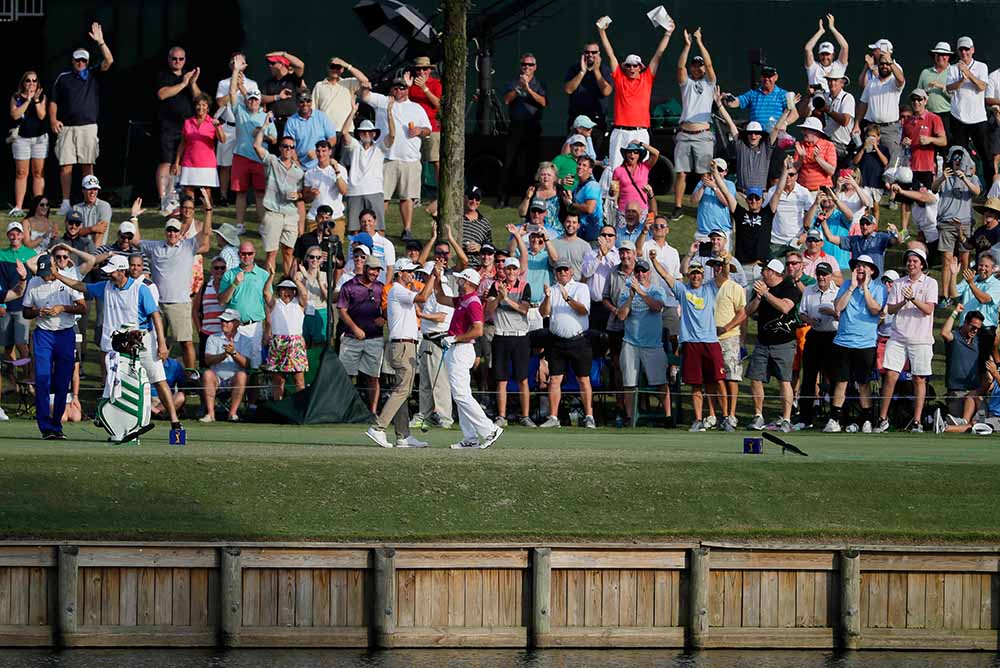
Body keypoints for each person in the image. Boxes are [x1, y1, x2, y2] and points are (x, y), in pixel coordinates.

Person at [59, 254, 182, 429]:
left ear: (123, 271)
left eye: (113, 271)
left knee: (158, 379)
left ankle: (175, 421)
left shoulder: (141, 289)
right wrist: (58, 276)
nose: (109, 275)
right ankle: (112, 419)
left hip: (143, 341)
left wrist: (161, 343)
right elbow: (81, 286)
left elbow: (155, 315)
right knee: (113, 381)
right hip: (119, 344)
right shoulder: (106, 287)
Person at [137, 189, 212, 374]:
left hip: (180, 303)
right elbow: (136, 241)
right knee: (157, 341)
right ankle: (157, 375)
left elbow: (206, 234)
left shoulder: (188, 246)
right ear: (165, 232)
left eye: (175, 230)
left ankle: (190, 376)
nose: (172, 233)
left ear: (180, 233)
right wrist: (134, 217)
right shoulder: (155, 247)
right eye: (169, 230)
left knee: (186, 342)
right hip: (157, 305)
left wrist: (208, 210)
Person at [596, 14, 673, 192]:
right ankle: (612, 210)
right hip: (620, 131)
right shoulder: (620, 78)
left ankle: (641, 207)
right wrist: (602, 32)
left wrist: (668, 34)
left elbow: (658, 54)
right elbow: (610, 53)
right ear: (625, 67)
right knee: (615, 170)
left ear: (641, 67)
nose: (631, 68)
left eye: (635, 65)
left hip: (640, 133)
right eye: (629, 65)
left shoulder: (647, 78)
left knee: (641, 172)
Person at [365, 260, 436, 448]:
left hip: (406, 345)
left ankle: (403, 436)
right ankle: (379, 428)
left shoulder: (402, 291)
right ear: (399, 273)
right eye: (409, 272)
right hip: (403, 345)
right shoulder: (398, 290)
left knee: (402, 390)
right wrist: (434, 275)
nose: (412, 275)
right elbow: (423, 297)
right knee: (402, 389)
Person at [652, 255, 725, 431]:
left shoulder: (710, 288)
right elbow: (666, 276)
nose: (696, 276)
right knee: (695, 384)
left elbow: (724, 276)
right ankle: (698, 419)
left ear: (702, 275)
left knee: (718, 381)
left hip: (710, 341)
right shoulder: (682, 290)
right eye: (693, 274)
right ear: (689, 275)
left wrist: (726, 261)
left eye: (699, 273)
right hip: (691, 343)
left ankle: (726, 417)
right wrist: (654, 261)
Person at [434, 267, 504, 449]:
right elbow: (440, 298)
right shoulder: (462, 300)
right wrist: (437, 277)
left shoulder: (472, 302)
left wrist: (455, 337)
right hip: (455, 349)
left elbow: (478, 330)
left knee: (461, 394)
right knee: (460, 395)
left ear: (467, 282)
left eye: (459, 279)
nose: (457, 281)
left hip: (462, 349)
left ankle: (490, 429)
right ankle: (470, 438)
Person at [49, 23, 113, 216]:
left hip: (88, 127)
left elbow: (109, 61)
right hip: (67, 127)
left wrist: (101, 42)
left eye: (83, 61)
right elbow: (53, 101)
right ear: (73, 61)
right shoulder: (63, 78)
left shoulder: (92, 74)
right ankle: (66, 202)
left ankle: (89, 203)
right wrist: (53, 119)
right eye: (78, 60)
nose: (81, 64)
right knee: (65, 165)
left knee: (88, 164)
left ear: (87, 61)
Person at [359, 75, 431, 241]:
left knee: (407, 197)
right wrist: (364, 84)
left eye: (402, 88)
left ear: (407, 89)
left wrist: (419, 130)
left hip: (410, 159)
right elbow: (365, 96)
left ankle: (407, 229)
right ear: (392, 89)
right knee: (382, 197)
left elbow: (428, 129)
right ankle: (378, 227)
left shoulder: (416, 108)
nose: (399, 91)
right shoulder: (383, 101)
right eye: (396, 88)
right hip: (386, 158)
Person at [875, 248, 938, 432]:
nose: (911, 264)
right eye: (909, 261)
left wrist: (913, 299)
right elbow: (892, 309)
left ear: (922, 264)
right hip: (898, 337)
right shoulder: (898, 284)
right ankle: (882, 418)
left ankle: (917, 422)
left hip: (921, 339)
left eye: (915, 261)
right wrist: (904, 300)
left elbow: (928, 309)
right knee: (891, 376)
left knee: (919, 379)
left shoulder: (930, 283)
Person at [824, 254, 886, 432]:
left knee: (863, 382)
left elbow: (875, 310)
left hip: (865, 344)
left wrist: (865, 287)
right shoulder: (845, 285)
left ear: (872, 271)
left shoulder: (879, 288)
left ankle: (867, 419)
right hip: (843, 341)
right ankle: (834, 419)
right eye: (858, 265)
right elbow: (838, 307)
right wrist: (851, 288)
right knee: (841, 382)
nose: (860, 268)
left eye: (865, 266)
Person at [23, 254, 77, 439]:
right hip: (43, 334)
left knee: (62, 382)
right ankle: (45, 427)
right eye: (43, 273)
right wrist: (38, 311)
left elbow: (83, 307)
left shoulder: (68, 279)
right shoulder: (34, 282)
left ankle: (57, 425)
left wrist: (63, 308)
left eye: (49, 272)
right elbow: (26, 311)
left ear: (55, 266)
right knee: (42, 380)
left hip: (65, 333)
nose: (47, 277)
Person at [744, 259, 801, 432]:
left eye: (765, 271)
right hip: (763, 342)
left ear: (774, 272)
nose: (762, 273)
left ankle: (786, 418)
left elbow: (785, 307)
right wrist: (760, 297)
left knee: (784, 381)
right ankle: (758, 415)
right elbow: (748, 310)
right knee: (755, 378)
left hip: (783, 343)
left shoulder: (789, 288)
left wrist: (767, 294)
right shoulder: (761, 289)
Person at [539, 258, 595, 428]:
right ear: (555, 273)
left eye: (565, 270)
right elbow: (544, 313)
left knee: (583, 379)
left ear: (571, 271)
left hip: (579, 340)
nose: (562, 273)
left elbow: (584, 310)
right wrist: (548, 297)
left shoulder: (581, 287)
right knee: (555, 379)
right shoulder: (552, 290)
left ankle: (589, 416)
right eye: (559, 270)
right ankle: (553, 418)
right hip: (557, 341)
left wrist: (568, 299)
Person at [672, 28, 717, 219]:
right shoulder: (686, 83)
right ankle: (678, 206)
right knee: (681, 172)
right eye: (695, 65)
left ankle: (704, 206)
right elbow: (680, 68)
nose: (698, 68)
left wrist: (699, 42)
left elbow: (709, 62)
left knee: (704, 174)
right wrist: (688, 45)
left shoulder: (710, 83)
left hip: (703, 135)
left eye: (700, 66)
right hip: (684, 134)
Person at [227, 55, 275, 232]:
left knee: (260, 194)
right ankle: (239, 225)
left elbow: (274, 139)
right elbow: (232, 93)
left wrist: (261, 132)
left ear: (259, 102)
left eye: (256, 99)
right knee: (240, 193)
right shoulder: (240, 111)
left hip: (260, 158)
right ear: (247, 101)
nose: (253, 101)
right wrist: (236, 70)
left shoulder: (266, 117)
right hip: (241, 157)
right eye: (251, 99)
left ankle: (263, 225)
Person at [485, 256, 534, 428]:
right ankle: (501, 416)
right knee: (501, 379)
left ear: (518, 270)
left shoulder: (524, 286)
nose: (511, 272)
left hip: (520, 336)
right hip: (501, 335)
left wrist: (506, 300)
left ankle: (525, 416)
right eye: (508, 269)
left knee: (523, 379)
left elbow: (524, 309)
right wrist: (499, 297)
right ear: (504, 271)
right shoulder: (496, 286)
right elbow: (488, 310)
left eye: (514, 269)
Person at [253, 115, 304, 275]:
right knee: (272, 253)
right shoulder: (272, 161)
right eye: (285, 146)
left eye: (291, 147)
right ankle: (269, 284)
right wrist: (264, 127)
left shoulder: (299, 172)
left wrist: (298, 195)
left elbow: (303, 196)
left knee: (289, 251)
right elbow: (256, 145)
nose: (288, 149)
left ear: (294, 150)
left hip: (290, 214)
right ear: (280, 148)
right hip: (273, 212)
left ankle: (288, 283)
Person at [498, 54, 548, 209]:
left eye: (530, 65)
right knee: (509, 163)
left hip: (532, 127)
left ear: (535, 67)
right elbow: (506, 99)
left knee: (531, 164)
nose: (527, 67)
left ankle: (529, 197)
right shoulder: (513, 82)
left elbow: (543, 102)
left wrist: (529, 90)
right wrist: (520, 88)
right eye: (524, 64)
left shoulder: (539, 83)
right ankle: (503, 198)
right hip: (515, 127)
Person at [337, 255, 385, 414]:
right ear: (365, 268)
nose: (375, 273)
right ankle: (345, 411)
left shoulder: (380, 287)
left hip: (375, 338)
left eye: (378, 270)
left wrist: (383, 317)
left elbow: (387, 307)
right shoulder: (348, 286)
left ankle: (372, 413)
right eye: (372, 269)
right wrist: (355, 328)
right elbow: (342, 311)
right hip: (351, 337)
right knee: (346, 376)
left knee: (373, 377)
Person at [934, 145, 980, 303]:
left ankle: (965, 292)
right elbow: (933, 188)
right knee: (946, 261)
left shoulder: (972, 177)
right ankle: (945, 295)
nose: (957, 162)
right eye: (955, 158)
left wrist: (965, 179)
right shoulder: (945, 176)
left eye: (960, 159)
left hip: (965, 224)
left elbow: (977, 192)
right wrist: (942, 178)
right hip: (946, 223)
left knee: (965, 260)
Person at [156, 47, 201, 205]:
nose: (177, 62)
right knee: (166, 161)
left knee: (182, 162)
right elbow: (162, 94)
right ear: (169, 59)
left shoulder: (188, 76)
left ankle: (178, 197)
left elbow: (199, 100)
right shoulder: (163, 75)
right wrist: (183, 83)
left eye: (181, 59)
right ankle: (164, 199)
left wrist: (192, 83)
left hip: (186, 127)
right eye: (174, 59)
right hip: (168, 125)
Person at [797, 261, 838, 427]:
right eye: (819, 274)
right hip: (814, 335)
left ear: (830, 276)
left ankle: (834, 417)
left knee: (834, 378)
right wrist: (810, 320)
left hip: (833, 336)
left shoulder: (837, 290)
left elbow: (842, 315)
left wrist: (832, 312)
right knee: (808, 377)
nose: (821, 277)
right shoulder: (809, 290)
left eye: (824, 274)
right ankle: (805, 418)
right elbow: (802, 313)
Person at [709, 254, 747, 431]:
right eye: (714, 266)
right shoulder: (706, 287)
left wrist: (727, 328)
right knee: (714, 378)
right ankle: (714, 415)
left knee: (732, 377)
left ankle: (731, 415)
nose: (717, 269)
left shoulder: (736, 288)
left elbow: (742, 313)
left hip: (730, 337)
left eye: (720, 266)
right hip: (709, 338)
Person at [214, 53, 258, 205]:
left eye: (240, 62)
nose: (237, 65)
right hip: (228, 127)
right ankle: (223, 196)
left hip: (245, 129)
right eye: (234, 62)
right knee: (225, 165)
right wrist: (233, 89)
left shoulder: (252, 84)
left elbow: (253, 105)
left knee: (246, 163)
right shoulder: (223, 83)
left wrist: (241, 87)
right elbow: (220, 103)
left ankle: (247, 197)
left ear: (245, 65)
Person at [947, 37, 991, 184]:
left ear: (972, 50)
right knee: (959, 156)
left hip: (978, 118)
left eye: (967, 49)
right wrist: (960, 80)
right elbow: (949, 88)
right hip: (958, 118)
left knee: (985, 155)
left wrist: (968, 74)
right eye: (961, 50)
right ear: (958, 52)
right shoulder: (953, 68)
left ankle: (991, 191)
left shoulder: (981, 67)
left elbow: (982, 87)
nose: (964, 52)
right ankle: (961, 188)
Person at [219, 242, 269, 368]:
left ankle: (254, 387)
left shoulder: (264, 275)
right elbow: (222, 300)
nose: (246, 257)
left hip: (255, 326)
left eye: (249, 253)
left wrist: (268, 330)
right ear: (239, 254)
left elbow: (268, 304)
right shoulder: (229, 274)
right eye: (243, 254)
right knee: (232, 361)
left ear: (254, 255)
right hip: (233, 326)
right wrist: (235, 283)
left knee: (255, 363)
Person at [200, 308, 254, 422]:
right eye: (222, 321)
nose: (223, 323)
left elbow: (246, 364)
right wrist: (224, 355)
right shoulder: (213, 338)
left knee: (242, 375)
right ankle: (210, 414)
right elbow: (208, 360)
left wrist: (233, 353)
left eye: (227, 321)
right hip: (217, 379)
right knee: (207, 374)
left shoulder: (246, 340)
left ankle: (232, 414)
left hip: (234, 379)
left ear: (236, 323)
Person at [937, 305, 985, 432]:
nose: (975, 331)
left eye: (978, 329)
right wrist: (955, 312)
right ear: (965, 323)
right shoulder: (956, 336)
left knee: (974, 422)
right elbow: (944, 333)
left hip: (975, 393)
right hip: (957, 392)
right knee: (967, 423)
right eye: (973, 327)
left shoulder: (978, 341)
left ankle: (945, 427)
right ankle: (948, 426)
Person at [341, 110, 390, 233]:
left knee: (378, 228)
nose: (366, 134)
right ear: (359, 134)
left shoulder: (380, 147)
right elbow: (344, 132)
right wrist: (352, 111)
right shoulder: (354, 146)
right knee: (354, 229)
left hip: (374, 190)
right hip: (354, 191)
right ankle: (355, 251)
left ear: (374, 134)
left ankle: (379, 252)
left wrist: (389, 114)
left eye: (369, 132)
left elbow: (392, 136)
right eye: (363, 131)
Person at [262, 274, 308, 401]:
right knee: (278, 380)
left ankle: (301, 406)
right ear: (279, 291)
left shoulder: (299, 303)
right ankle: (279, 406)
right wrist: (271, 276)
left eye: (290, 289)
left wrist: (297, 281)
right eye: (283, 289)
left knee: (299, 379)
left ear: (294, 291)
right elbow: (266, 293)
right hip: (278, 343)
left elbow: (304, 295)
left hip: (295, 343)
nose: (286, 292)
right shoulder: (275, 304)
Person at [9, 71, 47, 217]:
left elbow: (42, 115)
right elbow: (15, 115)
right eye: (28, 81)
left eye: (34, 81)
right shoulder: (16, 97)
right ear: (23, 83)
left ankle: (38, 206)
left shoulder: (42, 96)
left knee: (38, 173)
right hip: (21, 139)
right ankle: (18, 206)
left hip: (39, 139)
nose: (31, 83)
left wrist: (36, 100)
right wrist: (28, 100)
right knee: (21, 173)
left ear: (38, 83)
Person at [855, 54, 906, 162]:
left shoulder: (894, 82)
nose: (884, 66)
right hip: (872, 128)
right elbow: (863, 103)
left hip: (890, 129)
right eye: (882, 64)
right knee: (870, 158)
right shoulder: (871, 83)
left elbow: (901, 79)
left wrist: (891, 62)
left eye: (887, 64)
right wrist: (856, 124)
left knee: (892, 160)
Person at [173, 94, 224, 199]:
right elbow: (182, 143)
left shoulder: (213, 122)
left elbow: (223, 140)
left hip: (207, 163)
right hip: (189, 162)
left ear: (208, 108)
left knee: (206, 192)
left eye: (204, 105)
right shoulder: (187, 122)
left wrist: (217, 126)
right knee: (188, 191)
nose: (201, 107)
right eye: (198, 105)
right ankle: (190, 214)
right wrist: (177, 163)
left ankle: (208, 215)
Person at [956, 251, 1000, 368]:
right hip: (964, 328)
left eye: (986, 266)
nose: (983, 268)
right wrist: (953, 275)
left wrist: (971, 283)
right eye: (981, 265)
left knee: (980, 367)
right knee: (962, 365)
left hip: (984, 331)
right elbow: (953, 293)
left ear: (993, 268)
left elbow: (984, 299)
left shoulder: (996, 284)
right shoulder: (971, 279)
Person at [820, 211, 899, 275]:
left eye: (868, 224)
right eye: (862, 224)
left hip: (875, 283)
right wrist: (823, 222)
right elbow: (830, 238)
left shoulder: (881, 237)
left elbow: (896, 241)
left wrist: (895, 232)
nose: (864, 226)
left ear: (874, 226)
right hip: (858, 282)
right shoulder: (854, 240)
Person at [563, 41, 612, 139]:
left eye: (594, 52)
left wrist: (596, 70)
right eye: (587, 52)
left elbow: (606, 91)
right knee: (576, 152)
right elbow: (568, 90)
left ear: (598, 54)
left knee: (596, 152)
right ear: (583, 53)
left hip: (597, 120)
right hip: (577, 118)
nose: (590, 55)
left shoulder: (604, 69)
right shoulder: (574, 68)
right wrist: (582, 72)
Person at [408, 57, 442, 196]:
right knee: (415, 162)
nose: (421, 72)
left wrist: (424, 88)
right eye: (418, 69)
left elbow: (438, 104)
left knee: (436, 161)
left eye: (425, 69)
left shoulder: (436, 84)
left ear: (430, 70)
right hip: (414, 128)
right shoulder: (410, 85)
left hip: (432, 127)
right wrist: (408, 86)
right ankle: (416, 195)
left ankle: (441, 193)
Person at [724, 65, 795, 132]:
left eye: (769, 76)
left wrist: (785, 123)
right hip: (756, 136)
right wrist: (727, 98)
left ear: (776, 77)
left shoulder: (783, 94)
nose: (766, 79)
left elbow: (795, 114)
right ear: (761, 77)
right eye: (764, 76)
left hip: (775, 135)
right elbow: (735, 102)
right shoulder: (752, 94)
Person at [302, 140, 348, 238]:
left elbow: (344, 191)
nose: (321, 154)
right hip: (315, 218)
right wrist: (311, 194)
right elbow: (306, 198)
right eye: (318, 151)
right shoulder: (310, 173)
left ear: (330, 152)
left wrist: (336, 171)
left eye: (324, 151)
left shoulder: (340, 169)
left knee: (335, 250)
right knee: (313, 250)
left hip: (335, 217)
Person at [765, 157, 812, 253]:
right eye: (786, 174)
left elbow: (811, 216)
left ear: (796, 176)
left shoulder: (804, 192)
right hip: (776, 241)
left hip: (797, 240)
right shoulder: (773, 191)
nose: (788, 177)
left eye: (791, 174)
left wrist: (806, 233)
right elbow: (767, 212)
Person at [312, 57, 369, 134]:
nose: (335, 70)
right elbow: (314, 109)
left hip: (347, 130)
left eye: (338, 67)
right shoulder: (319, 85)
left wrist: (347, 65)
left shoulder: (349, 82)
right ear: (328, 68)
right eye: (332, 67)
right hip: (325, 130)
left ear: (342, 70)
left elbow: (365, 81)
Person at [282, 91, 338, 171]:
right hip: (301, 166)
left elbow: (332, 139)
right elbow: (289, 145)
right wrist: (297, 163)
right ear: (297, 103)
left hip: (322, 165)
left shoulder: (321, 116)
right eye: (301, 102)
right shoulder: (291, 121)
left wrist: (319, 151)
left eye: (308, 101)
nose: (305, 104)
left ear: (311, 102)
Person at [612, 141, 660, 226]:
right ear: (626, 154)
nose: (632, 155)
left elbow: (656, 153)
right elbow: (614, 192)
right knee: (622, 237)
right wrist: (612, 192)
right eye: (629, 152)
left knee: (642, 236)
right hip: (624, 210)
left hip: (642, 210)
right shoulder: (618, 170)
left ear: (639, 155)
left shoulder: (645, 167)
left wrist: (641, 143)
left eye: (635, 152)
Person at [581, 225, 620, 330]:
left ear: (615, 238)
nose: (607, 237)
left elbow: (617, 268)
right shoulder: (590, 254)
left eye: (610, 235)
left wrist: (606, 253)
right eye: (603, 235)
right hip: (594, 304)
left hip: (612, 305)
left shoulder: (619, 255)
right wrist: (599, 256)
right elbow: (586, 273)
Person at [260, 51, 305, 138]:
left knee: (289, 149)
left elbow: (300, 65)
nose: (270, 66)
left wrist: (283, 54)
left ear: (281, 64)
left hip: (290, 122)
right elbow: (261, 98)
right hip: (273, 122)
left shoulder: (292, 78)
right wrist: (277, 97)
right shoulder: (269, 82)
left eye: (273, 63)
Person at [691, 158, 736, 241]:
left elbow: (727, 203)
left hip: (723, 232)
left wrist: (714, 187)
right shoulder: (702, 183)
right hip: (703, 232)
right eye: (714, 169)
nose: (716, 172)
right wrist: (703, 187)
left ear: (725, 172)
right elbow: (694, 201)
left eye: (719, 170)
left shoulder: (730, 185)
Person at [193, 256, 227, 365]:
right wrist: (199, 329)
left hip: (224, 333)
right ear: (211, 270)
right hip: (207, 333)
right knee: (205, 365)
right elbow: (195, 310)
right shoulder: (205, 288)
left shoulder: (229, 288)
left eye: (222, 268)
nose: (219, 270)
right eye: (216, 268)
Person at [918, 42, 955, 140]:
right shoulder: (925, 72)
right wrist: (925, 92)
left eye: (944, 55)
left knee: (946, 145)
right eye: (938, 54)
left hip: (947, 115)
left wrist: (941, 87)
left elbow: (957, 97)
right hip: (928, 115)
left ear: (949, 57)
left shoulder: (954, 72)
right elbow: (918, 94)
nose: (940, 57)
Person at [804, 14, 850, 91]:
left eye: (828, 54)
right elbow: (807, 49)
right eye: (822, 54)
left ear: (833, 55)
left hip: (834, 101)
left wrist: (832, 28)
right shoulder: (813, 68)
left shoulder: (838, 66)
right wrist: (820, 31)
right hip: (815, 101)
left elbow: (845, 47)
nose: (825, 57)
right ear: (818, 55)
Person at [297, 245, 329, 348]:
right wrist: (306, 277)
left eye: (318, 257)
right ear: (307, 258)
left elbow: (327, 297)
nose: (315, 260)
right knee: (303, 345)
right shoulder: (300, 275)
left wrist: (320, 281)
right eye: (312, 257)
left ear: (321, 260)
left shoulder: (325, 275)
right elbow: (300, 294)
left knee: (319, 345)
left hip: (320, 312)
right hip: (304, 313)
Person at [794, 117, 837, 193]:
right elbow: (794, 170)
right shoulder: (800, 145)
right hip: (804, 191)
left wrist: (818, 159)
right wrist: (801, 158)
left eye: (806, 129)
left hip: (822, 191)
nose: (803, 132)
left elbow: (831, 171)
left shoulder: (828, 145)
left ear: (815, 132)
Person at [520, 163, 563, 235]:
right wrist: (527, 198)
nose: (546, 177)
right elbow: (522, 213)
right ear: (538, 177)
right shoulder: (532, 190)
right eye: (543, 175)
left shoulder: (560, 191)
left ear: (555, 178)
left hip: (555, 230)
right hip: (533, 229)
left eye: (549, 175)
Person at [566, 157, 603, 241]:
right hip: (581, 230)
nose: (580, 167)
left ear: (590, 170)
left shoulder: (592, 185)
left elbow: (589, 209)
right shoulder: (577, 186)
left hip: (592, 231)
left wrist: (571, 204)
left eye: (584, 165)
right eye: (579, 164)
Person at [71, 174, 112, 245]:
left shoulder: (104, 206)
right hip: (79, 248)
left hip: (98, 249)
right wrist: (92, 229)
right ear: (83, 190)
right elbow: (74, 232)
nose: (93, 192)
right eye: (89, 189)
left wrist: (94, 254)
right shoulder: (76, 208)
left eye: (95, 189)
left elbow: (100, 231)